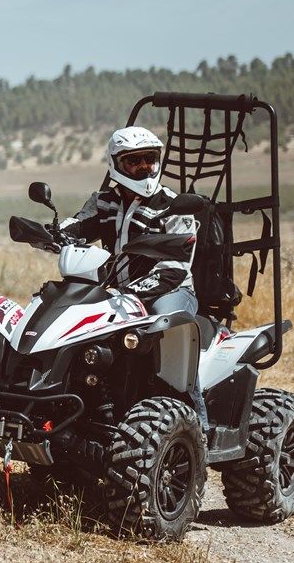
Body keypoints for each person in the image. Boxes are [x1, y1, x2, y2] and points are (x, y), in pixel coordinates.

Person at [58, 126, 207, 429]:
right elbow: (79, 227)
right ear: (116, 163)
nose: (144, 167)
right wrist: (54, 233)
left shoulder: (172, 205)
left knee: (166, 327)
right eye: (134, 161)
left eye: (149, 159)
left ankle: (198, 424)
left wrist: (132, 294)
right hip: (119, 292)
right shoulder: (103, 201)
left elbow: (175, 268)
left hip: (171, 291)